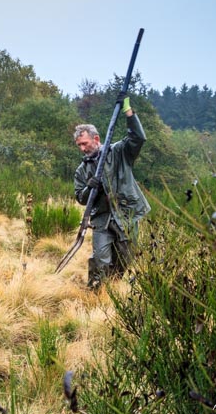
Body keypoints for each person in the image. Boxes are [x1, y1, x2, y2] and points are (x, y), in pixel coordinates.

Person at [73, 95, 150, 289]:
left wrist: (128, 112)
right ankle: (95, 293)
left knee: (126, 258)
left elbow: (138, 138)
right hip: (102, 219)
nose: (82, 149)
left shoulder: (118, 152)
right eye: (79, 145)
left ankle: (113, 289)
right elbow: (80, 197)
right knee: (100, 259)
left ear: (96, 139)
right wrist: (90, 187)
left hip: (126, 214)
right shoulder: (82, 170)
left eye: (85, 143)